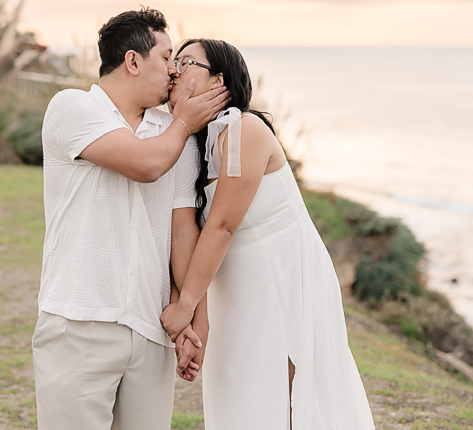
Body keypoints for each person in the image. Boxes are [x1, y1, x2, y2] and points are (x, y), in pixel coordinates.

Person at [161, 39, 376, 430]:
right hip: (237, 291)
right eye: (172, 62)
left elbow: (222, 227)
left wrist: (184, 306)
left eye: (186, 61)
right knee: (244, 395)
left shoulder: (245, 129)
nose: (174, 69)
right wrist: (198, 317)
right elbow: (185, 232)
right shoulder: (195, 144)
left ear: (218, 81)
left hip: (283, 280)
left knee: (289, 398)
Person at [32, 9, 229, 430]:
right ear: (133, 61)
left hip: (149, 328)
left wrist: (193, 317)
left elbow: (182, 231)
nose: (174, 70)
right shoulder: (72, 108)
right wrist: (183, 123)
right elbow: (145, 165)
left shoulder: (172, 131)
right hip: (79, 323)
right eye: (166, 57)